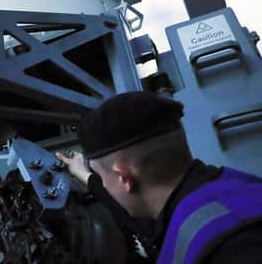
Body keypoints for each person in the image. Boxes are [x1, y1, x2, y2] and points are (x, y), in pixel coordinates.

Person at [55, 91, 262, 264]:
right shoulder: (231, 187)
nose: (103, 184)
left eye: (102, 177)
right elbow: (146, 225)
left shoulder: (234, 246)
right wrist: (86, 175)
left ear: (123, 177)